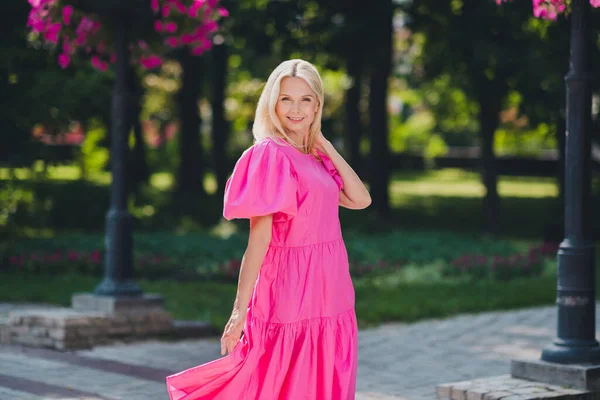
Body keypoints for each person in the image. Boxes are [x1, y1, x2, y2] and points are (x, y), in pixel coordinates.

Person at [165, 59, 371, 400]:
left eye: (305, 99)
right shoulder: (270, 155)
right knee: (281, 381)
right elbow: (258, 240)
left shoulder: (317, 157)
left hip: (331, 288)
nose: (296, 109)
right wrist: (238, 311)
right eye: (286, 99)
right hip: (290, 288)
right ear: (272, 103)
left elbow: (360, 199)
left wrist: (324, 145)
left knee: (326, 377)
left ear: (317, 104)